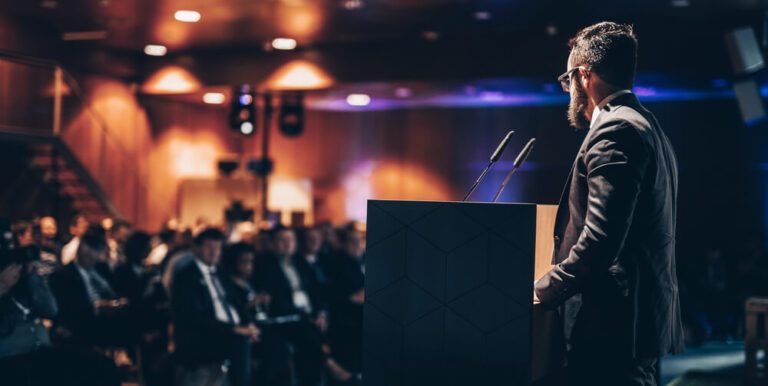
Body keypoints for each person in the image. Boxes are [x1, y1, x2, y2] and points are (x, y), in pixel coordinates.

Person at [533, 22, 683, 385]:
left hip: (610, 325)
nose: (568, 91)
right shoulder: (649, 126)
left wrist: (543, 289)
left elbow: (600, 241)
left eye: (568, 81)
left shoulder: (615, 131)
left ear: (584, 75)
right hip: (634, 323)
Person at [0, 246, 120, 386]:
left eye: (17, 264)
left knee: (104, 366)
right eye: (11, 265)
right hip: (13, 358)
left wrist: (32, 274)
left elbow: (51, 310)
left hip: (42, 353)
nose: (16, 269)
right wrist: (2, 286)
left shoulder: (23, 285)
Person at [171, 228, 260, 386]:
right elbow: (195, 317)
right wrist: (234, 329)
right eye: (209, 247)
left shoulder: (221, 273)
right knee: (240, 342)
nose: (214, 252)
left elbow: (237, 302)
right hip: (204, 335)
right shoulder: (186, 277)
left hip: (231, 330)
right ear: (196, 248)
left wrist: (249, 324)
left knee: (271, 339)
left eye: (218, 248)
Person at [49, 224, 131, 348]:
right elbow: (65, 312)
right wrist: (97, 307)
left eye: (96, 250)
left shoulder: (101, 269)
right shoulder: (63, 275)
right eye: (88, 248)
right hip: (81, 330)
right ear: (81, 247)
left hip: (107, 325)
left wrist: (117, 303)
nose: (92, 254)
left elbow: (114, 291)